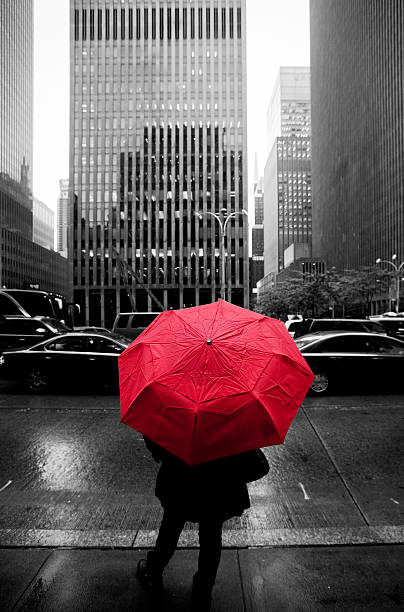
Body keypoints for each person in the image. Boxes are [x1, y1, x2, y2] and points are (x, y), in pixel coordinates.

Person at [136, 436, 254, 611]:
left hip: (179, 478)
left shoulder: (176, 410)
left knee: (171, 526)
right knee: (211, 536)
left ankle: (154, 570)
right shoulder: (228, 412)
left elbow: (154, 436)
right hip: (219, 485)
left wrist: (159, 453)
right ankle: (203, 589)